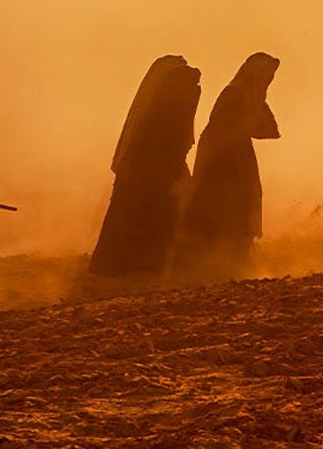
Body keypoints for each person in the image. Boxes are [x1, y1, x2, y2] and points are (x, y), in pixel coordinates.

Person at [89, 56, 202, 278]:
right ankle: (140, 266)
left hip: (151, 168)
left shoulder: (163, 100)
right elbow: (175, 139)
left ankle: (125, 265)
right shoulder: (176, 97)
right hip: (155, 169)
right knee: (151, 212)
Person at [179, 53, 280, 280]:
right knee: (223, 203)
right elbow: (223, 128)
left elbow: (269, 131)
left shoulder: (249, 94)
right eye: (267, 75)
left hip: (237, 154)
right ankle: (210, 261)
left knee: (244, 201)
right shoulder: (234, 94)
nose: (269, 80)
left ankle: (233, 258)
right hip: (222, 158)